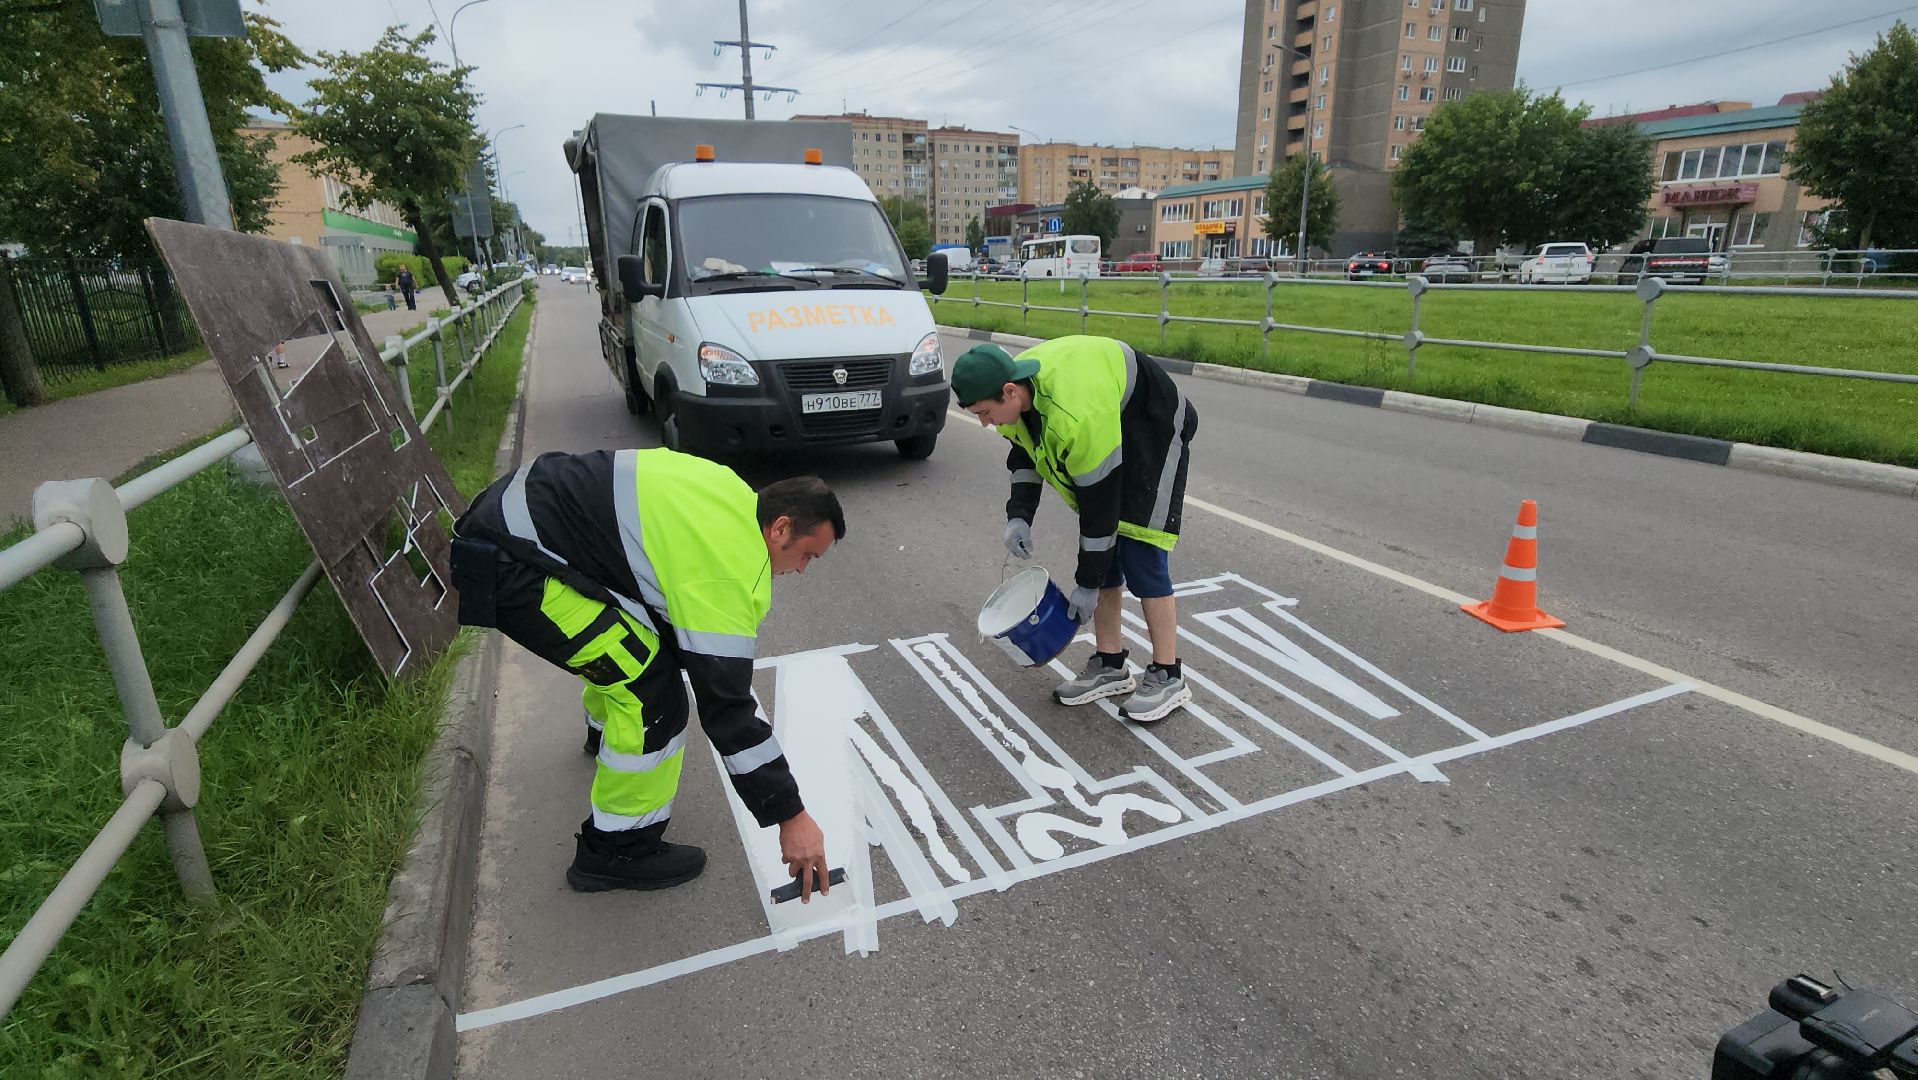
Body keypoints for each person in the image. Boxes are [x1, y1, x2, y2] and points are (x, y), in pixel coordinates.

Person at [450, 448, 841, 897]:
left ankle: (605, 737)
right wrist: (791, 815)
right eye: (808, 555)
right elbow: (728, 708)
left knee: (639, 644)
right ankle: (615, 850)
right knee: (652, 695)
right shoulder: (728, 572)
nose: (802, 570)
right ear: (781, 528)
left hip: (517, 515)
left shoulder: (730, 492)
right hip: (510, 562)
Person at [952, 338, 1199, 723]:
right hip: (1108, 412)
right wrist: (1019, 514)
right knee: (1107, 555)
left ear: (1010, 391)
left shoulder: (1075, 416)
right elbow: (1025, 452)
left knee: (1140, 550)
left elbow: (1099, 508)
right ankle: (1110, 663)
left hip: (1151, 422)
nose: (985, 423)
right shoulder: (1013, 396)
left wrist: (1087, 583)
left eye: (985, 412)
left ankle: (1169, 675)